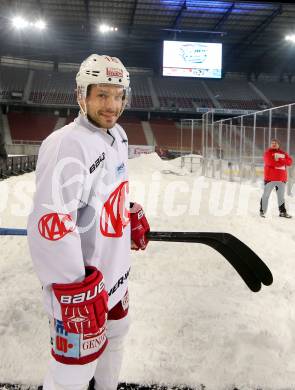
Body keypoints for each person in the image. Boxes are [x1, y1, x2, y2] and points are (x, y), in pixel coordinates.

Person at [27, 54, 150, 390]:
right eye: (102, 95)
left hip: (116, 277)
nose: (112, 105)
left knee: (116, 343)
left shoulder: (119, 136)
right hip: (83, 289)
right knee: (72, 374)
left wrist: (128, 212)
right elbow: (50, 222)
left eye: (118, 95)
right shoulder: (67, 144)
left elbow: (101, 194)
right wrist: (72, 288)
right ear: (81, 95)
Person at [260, 138, 293, 218]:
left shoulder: (283, 153)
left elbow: (290, 162)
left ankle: (282, 212)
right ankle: (263, 211)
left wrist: (280, 159)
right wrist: (282, 162)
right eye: (272, 143)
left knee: (281, 197)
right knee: (266, 195)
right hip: (270, 178)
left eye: (275, 143)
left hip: (281, 179)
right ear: (270, 144)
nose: (274, 144)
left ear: (278, 145)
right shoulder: (267, 153)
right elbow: (270, 162)